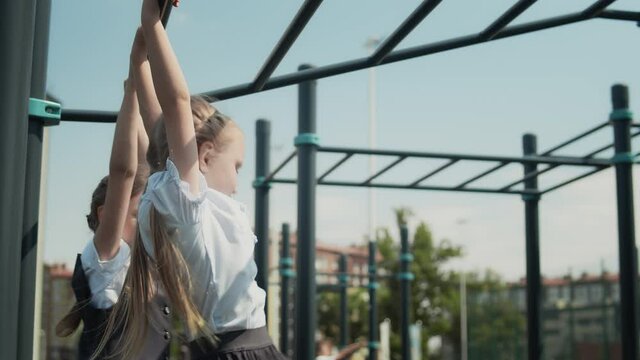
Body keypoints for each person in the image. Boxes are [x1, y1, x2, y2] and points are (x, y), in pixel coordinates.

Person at [96, 0, 287, 358]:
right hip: (243, 349)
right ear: (206, 155)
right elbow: (177, 104)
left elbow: (162, 126)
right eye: (237, 166)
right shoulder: (186, 206)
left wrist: (140, 61)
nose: (237, 180)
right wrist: (151, 21)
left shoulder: (171, 201)